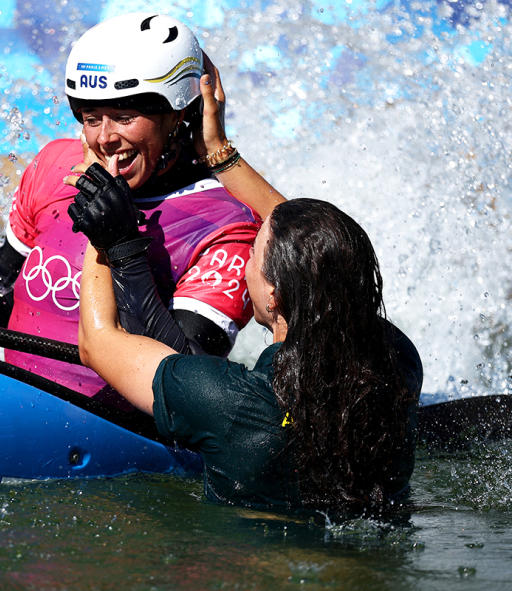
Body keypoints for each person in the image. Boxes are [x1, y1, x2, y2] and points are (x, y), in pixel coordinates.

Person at [0, 13, 279, 404]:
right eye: (91, 116)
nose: (104, 139)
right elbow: (1, 291)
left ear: (178, 115)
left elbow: (188, 388)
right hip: (17, 397)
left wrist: (123, 246)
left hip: (111, 433)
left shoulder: (228, 224)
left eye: (123, 116)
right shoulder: (57, 163)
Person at [74, 69, 423, 510]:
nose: (241, 269)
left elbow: (97, 341)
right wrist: (217, 150)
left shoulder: (228, 402)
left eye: (252, 255)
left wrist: (106, 230)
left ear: (273, 295)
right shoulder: (397, 361)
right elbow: (321, 258)